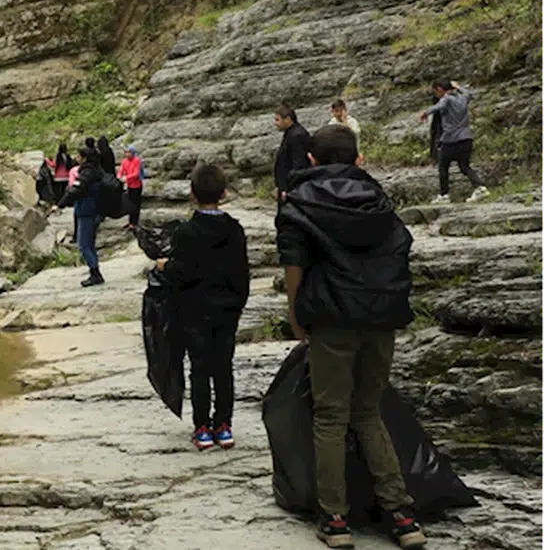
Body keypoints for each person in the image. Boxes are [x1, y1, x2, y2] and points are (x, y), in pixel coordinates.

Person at [278, 125, 427, 549]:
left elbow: (294, 265)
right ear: (358, 159)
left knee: (330, 416)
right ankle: (401, 515)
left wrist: (296, 315)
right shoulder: (379, 200)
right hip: (381, 315)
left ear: (311, 160)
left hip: (332, 318)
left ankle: (335, 520)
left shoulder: (299, 202)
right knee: (368, 411)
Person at [153, 164, 248, 451]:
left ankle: (202, 428)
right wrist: (236, 305)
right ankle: (224, 425)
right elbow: (242, 274)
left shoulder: (186, 232)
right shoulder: (234, 230)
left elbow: (184, 271)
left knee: (199, 369)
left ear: (192, 194)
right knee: (224, 367)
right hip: (227, 311)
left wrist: (165, 266)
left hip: (194, 312)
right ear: (225, 193)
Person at [419, 79, 489, 204]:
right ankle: (480, 187)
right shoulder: (462, 98)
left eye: (435, 92)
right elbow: (470, 94)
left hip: (451, 140)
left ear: (440, 89)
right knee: (464, 166)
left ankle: (444, 195)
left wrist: (426, 113)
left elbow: (439, 106)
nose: (436, 95)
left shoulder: (446, 99)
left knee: (443, 167)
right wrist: (459, 87)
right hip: (466, 138)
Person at [56, 146, 104, 288]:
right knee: (90, 244)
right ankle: (95, 271)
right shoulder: (97, 170)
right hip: (94, 210)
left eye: (78, 156)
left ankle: (95, 273)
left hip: (86, 210)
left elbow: (76, 189)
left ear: (84, 158)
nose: (76, 158)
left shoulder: (87, 173)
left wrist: (60, 204)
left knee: (83, 245)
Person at [274, 105, 312, 201]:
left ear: (287, 119)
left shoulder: (297, 135)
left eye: (277, 120)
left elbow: (298, 165)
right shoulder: (291, 133)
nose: (275, 123)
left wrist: (287, 189)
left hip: (292, 189)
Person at [118, 145, 144, 229]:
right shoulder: (125, 161)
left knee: (136, 204)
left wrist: (127, 177)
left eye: (129, 152)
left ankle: (135, 222)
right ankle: (130, 222)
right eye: (126, 152)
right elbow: (121, 170)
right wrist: (119, 176)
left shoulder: (137, 160)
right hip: (129, 185)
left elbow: (136, 173)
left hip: (136, 185)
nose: (127, 154)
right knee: (129, 204)